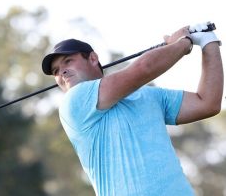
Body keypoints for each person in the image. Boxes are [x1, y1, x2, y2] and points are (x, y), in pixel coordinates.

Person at [41, 23, 223, 196]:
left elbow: (207, 103)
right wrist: (185, 42)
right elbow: (144, 68)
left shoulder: (148, 95)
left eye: (68, 61)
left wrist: (208, 42)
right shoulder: (74, 101)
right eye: (56, 71)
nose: (62, 72)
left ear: (93, 58)